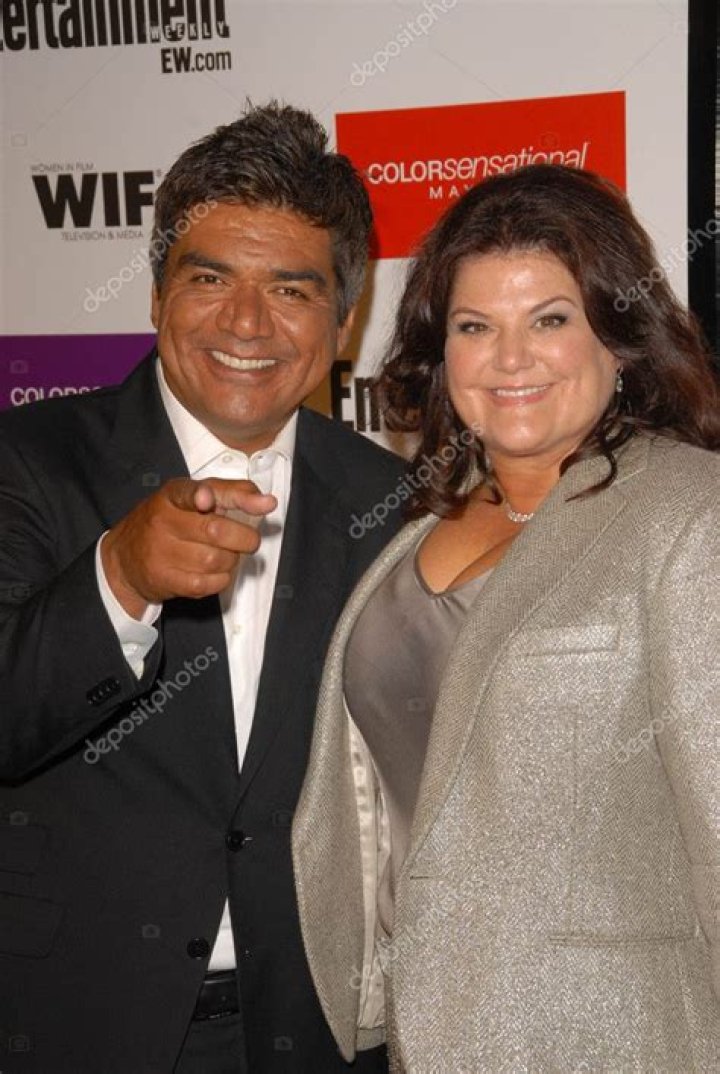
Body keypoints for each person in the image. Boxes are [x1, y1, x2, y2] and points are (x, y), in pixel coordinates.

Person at [0, 102, 403, 1074]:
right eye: (210, 277)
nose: (245, 323)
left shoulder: (392, 503)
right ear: (156, 294)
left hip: (313, 1030)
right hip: (73, 1021)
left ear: (344, 321)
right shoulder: (29, 460)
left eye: (291, 289)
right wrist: (119, 577)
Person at [293, 164, 720, 1072]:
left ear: (620, 340)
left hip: (615, 1039)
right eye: (475, 326)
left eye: (550, 320)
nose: (510, 358)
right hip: (428, 1033)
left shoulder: (689, 512)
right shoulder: (414, 529)